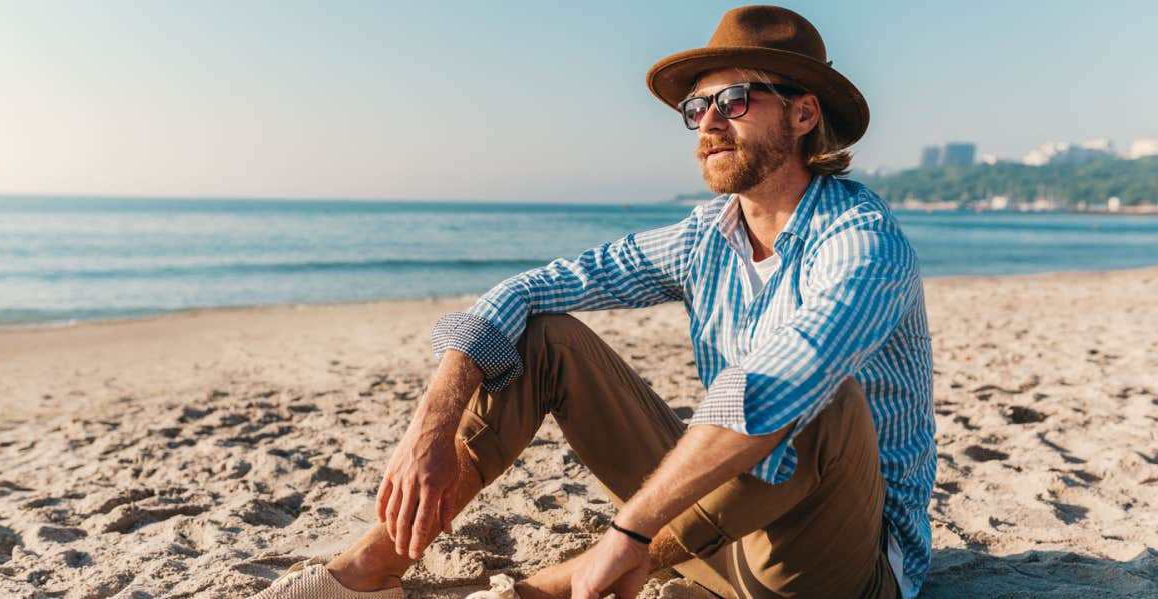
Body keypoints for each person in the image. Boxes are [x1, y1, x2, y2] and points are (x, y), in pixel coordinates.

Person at [252, 5, 934, 599]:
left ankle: (541, 589)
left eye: (734, 100)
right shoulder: (706, 237)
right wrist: (432, 421)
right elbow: (528, 288)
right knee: (545, 337)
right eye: (697, 109)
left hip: (834, 568)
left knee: (818, 398)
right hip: (715, 543)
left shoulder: (864, 242)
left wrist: (630, 529)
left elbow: (774, 388)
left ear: (804, 112)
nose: (707, 124)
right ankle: (374, 567)